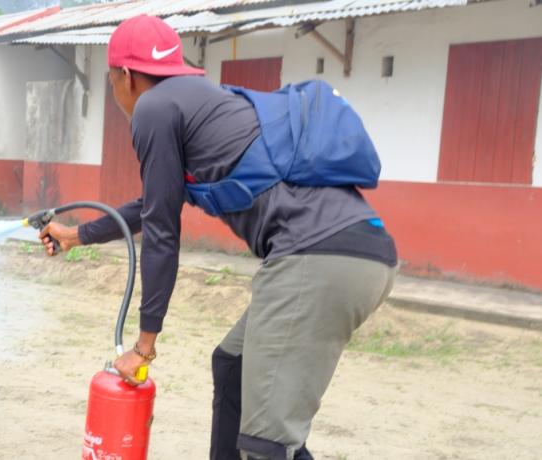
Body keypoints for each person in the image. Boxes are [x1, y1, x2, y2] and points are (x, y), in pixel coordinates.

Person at [39, 14, 397, 460]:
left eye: (111, 81)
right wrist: (77, 236)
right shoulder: (206, 102)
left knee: (267, 446)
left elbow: (164, 234)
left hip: (315, 257)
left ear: (125, 76)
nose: (116, 93)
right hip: (361, 253)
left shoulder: (153, 108)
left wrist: (144, 345)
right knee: (232, 365)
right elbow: (153, 207)